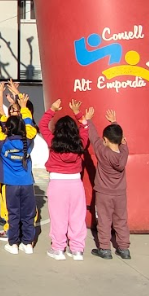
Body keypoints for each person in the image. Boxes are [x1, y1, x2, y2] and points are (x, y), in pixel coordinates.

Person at [40, 98, 91, 261]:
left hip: (57, 183)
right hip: (76, 183)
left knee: (58, 217)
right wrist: (78, 114)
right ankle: (77, 250)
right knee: (77, 217)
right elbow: (85, 127)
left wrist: (52, 109)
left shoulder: (53, 142)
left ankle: (58, 248)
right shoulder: (80, 143)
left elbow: (42, 125)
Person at [0, 90, 36, 255]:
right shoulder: (28, 140)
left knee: (13, 214)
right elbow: (29, 124)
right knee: (28, 215)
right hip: (27, 183)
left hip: (11, 184)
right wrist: (24, 107)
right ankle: (28, 243)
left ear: (7, 128)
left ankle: (13, 244)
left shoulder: (2, 142)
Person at [89, 109, 131, 261]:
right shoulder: (124, 152)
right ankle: (124, 249)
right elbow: (122, 141)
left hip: (103, 194)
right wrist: (115, 122)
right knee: (121, 221)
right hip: (120, 193)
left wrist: (88, 120)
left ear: (105, 139)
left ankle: (105, 249)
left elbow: (93, 137)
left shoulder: (102, 152)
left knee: (104, 221)